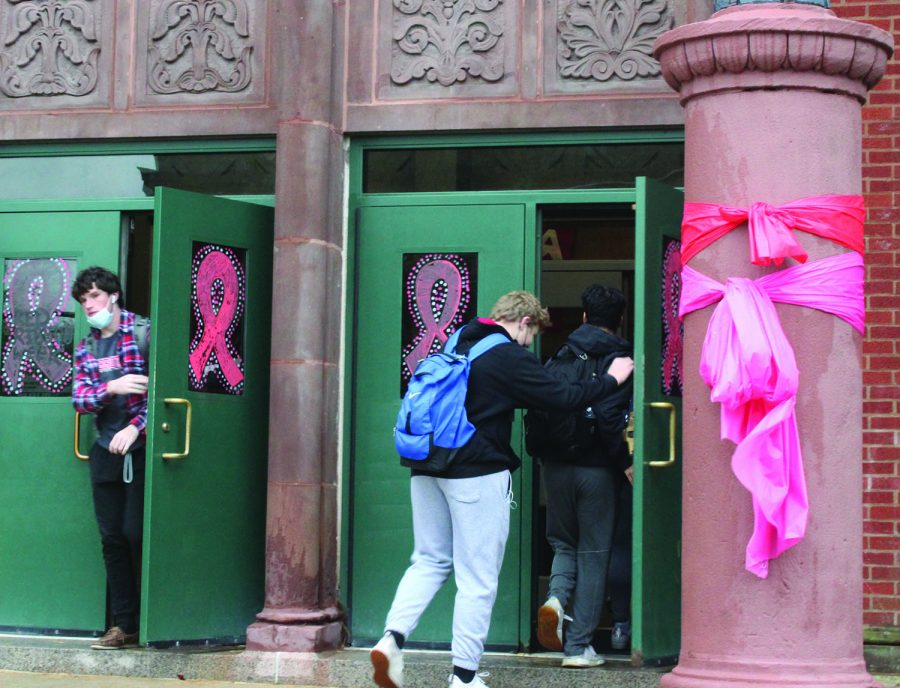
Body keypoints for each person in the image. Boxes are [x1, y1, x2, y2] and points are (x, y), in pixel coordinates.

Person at [370, 291, 633, 688]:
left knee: (429, 560)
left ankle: (392, 640)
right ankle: (464, 677)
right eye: (532, 335)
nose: (530, 344)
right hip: (475, 471)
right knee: (478, 578)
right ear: (525, 322)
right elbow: (564, 397)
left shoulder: (458, 339)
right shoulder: (506, 356)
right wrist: (611, 378)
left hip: (426, 466)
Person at [535, 284, 634, 667]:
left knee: (562, 543)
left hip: (555, 466)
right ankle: (577, 647)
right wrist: (624, 460)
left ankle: (556, 599)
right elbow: (611, 419)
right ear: (620, 320)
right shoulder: (621, 359)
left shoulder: (561, 354)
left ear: (584, 317)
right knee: (594, 554)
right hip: (596, 472)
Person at [71, 267, 150, 650]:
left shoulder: (143, 333)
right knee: (113, 539)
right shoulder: (87, 347)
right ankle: (124, 625)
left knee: (138, 533)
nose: (90, 305)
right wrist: (111, 387)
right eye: (84, 300)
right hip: (105, 451)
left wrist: (138, 427)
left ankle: (160, 620)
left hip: (142, 449)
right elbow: (80, 399)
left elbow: (166, 391)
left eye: (95, 297)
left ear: (114, 296)